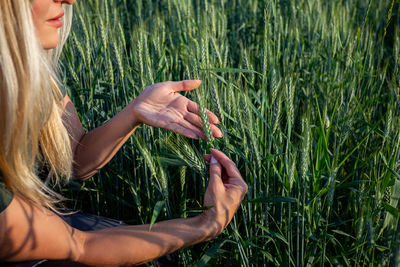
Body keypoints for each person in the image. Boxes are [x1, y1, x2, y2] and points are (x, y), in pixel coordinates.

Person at [0, 0, 248, 266]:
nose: (70, 0)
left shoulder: (33, 74)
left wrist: (134, 113)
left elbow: (73, 160)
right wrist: (207, 223)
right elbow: (81, 245)